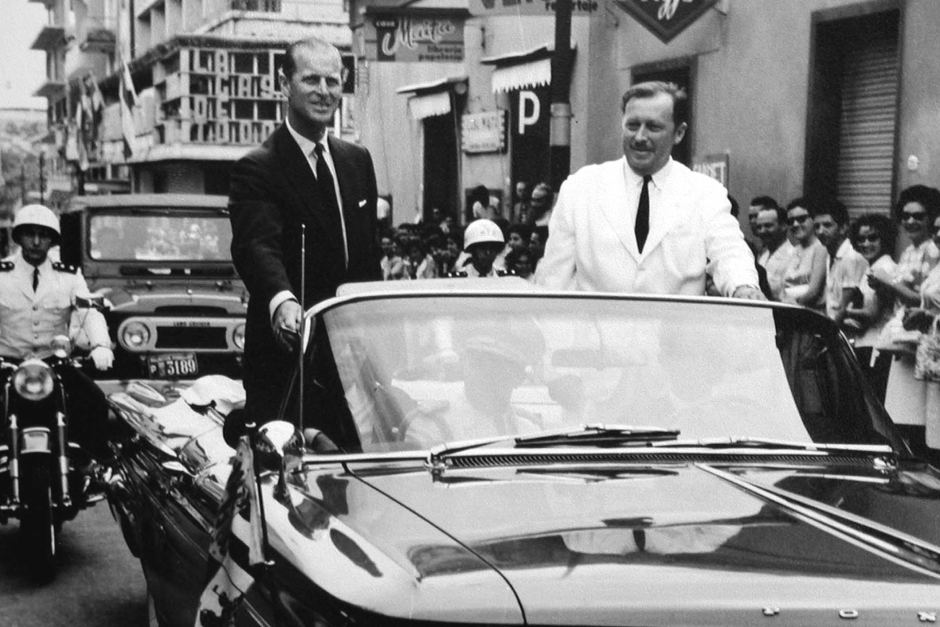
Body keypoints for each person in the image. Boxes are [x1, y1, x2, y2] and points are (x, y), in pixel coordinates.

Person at [228, 36, 380, 424]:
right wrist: (282, 300)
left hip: (352, 360)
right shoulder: (258, 167)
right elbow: (257, 246)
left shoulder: (356, 161)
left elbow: (368, 258)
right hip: (287, 363)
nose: (323, 92)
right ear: (284, 84)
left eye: (332, 81)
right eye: (311, 80)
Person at [535, 81, 761, 299]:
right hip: (596, 337)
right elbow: (554, 279)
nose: (640, 137)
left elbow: (729, 252)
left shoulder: (705, 193)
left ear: (679, 133)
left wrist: (742, 286)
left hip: (675, 336)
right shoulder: (580, 188)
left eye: (653, 127)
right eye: (632, 125)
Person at [0, 205, 114, 465]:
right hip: (8, 364)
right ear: (18, 237)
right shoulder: (2, 274)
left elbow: (90, 310)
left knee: (95, 402)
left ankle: (94, 469)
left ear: (53, 240)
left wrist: (100, 345)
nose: (37, 242)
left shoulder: (69, 275)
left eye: (44, 235)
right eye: (30, 234)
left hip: (54, 363)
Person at [876, 186, 940, 456]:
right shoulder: (908, 252)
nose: (911, 221)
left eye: (919, 216)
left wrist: (888, 283)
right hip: (907, 338)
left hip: (924, 345)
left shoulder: (932, 252)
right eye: (906, 215)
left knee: (922, 421)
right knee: (904, 418)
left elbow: (921, 298)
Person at [844, 213, 897, 400]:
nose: (866, 244)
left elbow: (872, 313)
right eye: (861, 239)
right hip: (865, 344)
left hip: (877, 347)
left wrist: (845, 312)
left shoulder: (885, 269)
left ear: (885, 238)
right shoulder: (871, 268)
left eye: (873, 238)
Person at [814, 199, 868, 326]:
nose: (820, 231)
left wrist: (826, 333)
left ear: (843, 228)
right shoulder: (830, 255)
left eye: (827, 225)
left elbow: (844, 307)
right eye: (817, 226)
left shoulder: (851, 257)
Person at [781, 197, 827, 311]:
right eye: (790, 221)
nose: (795, 224)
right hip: (789, 309)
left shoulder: (821, 248)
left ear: (813, 219)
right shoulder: (792, 251)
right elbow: (782, 288)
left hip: (810, 311)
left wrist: (794, 306)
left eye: (801, 219)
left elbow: (814, 291)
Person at [754, 205, 794, 301]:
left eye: (768, 226)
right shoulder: (763, 257)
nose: (762, 231)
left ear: (783, 226)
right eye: (759, 227)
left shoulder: (793, 255)